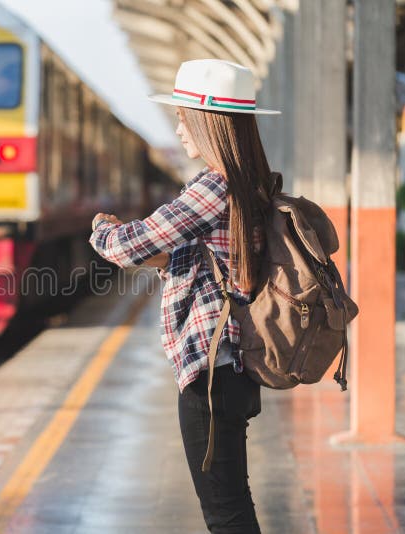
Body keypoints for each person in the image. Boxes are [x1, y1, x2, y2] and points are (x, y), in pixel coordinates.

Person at [89, 58, 281, 534]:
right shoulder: (249, 182)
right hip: (230, 368)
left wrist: (101, 231)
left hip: (210, 368)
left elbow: (134, 244)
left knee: (226, 513)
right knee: (231, 503)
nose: (177, 126)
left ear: (209, 121)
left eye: (183, 115)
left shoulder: (215, 186)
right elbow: (201, 258)